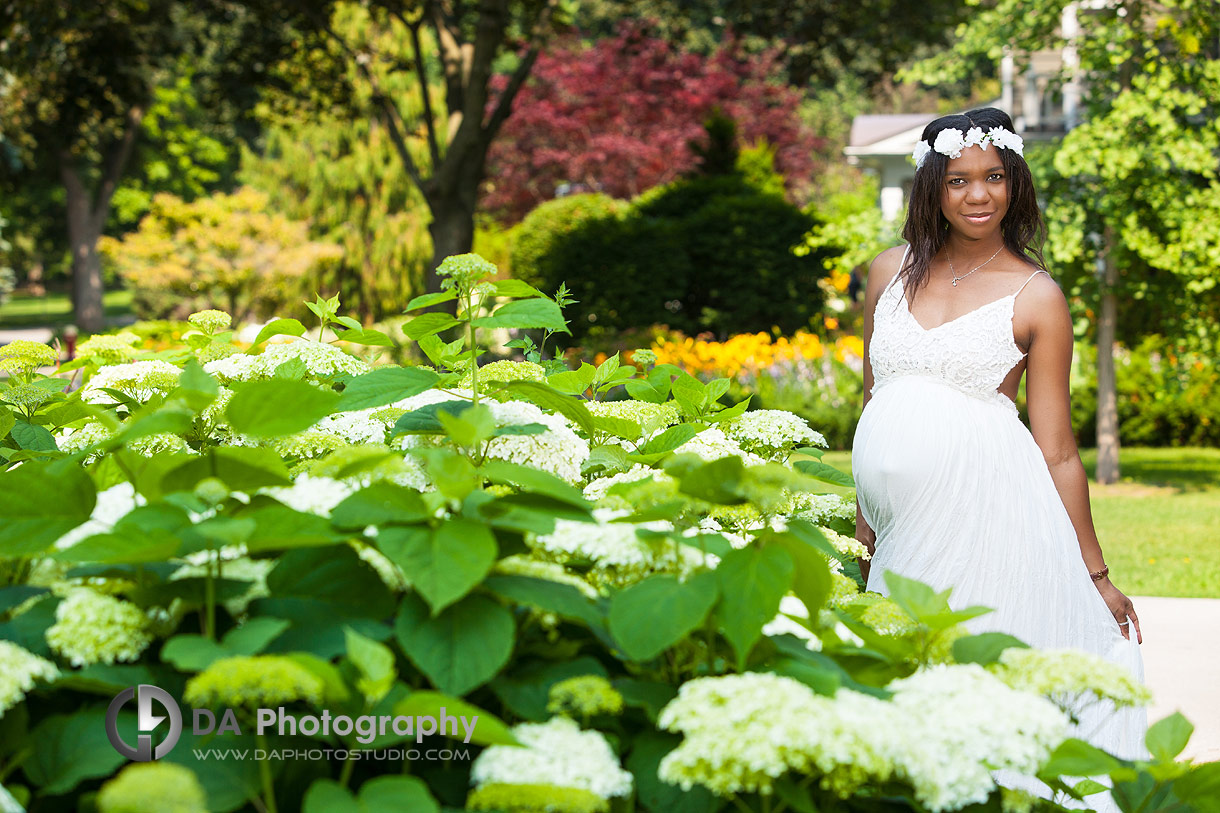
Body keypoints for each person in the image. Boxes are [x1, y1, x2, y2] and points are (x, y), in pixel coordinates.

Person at [851, 108, 1147, 786]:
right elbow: (872, 406)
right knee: (906, 698)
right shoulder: (884, 276)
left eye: (993, 178)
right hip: (899, 529)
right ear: (934, 186)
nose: (978, 196)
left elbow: (1059, 450)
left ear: (1015, 183)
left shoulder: (1036, 295)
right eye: (958, 181)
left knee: (977, 690)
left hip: (989, 519)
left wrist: (1095, 576)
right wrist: (862, 526)